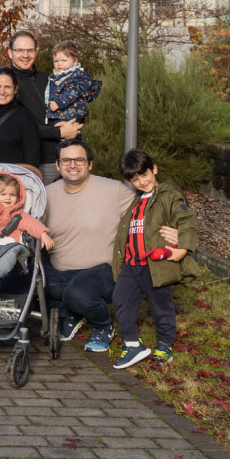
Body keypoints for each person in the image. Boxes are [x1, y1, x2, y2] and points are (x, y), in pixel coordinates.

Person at [43, 139, 134, 352]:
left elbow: (147, 213)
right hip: (59, 271)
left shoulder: (113, 190)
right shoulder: (46, 194)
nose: (72, 165)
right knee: (22, 286)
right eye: (66, 160)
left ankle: (102, 324)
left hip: (102, 271)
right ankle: (70, 314)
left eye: (79, 160)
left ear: (90, 164)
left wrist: (175, 231)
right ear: (57, 165)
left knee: (78, 294)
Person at [110, 149, 199, 369]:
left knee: (161, 305)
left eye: (144, 174)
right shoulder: (136, 202)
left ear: (154, 169)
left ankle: (165, 343)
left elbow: (186, 220)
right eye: (134, 179)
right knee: (121, 299)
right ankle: (133, 344)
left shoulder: (168, 196)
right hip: (131, 263)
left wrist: (182, 249)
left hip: (155, 264)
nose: (141, 182)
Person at [7, 31, 82, 182]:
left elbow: (75, 104)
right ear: (10, 52)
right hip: (27, 162)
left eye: (30, 50)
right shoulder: (6, 83)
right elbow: (16, 125)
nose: (25, 55)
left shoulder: (49, 79)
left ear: (36, 52)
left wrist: (73, 125)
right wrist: (59, 132)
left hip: (62, 158)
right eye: (20, 50)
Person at [46, 40, 102, 136]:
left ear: (75, 60)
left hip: (72, 114)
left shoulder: (78, 75)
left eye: (63, 60)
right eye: (56, 61)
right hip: (59, 115)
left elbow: (75, 90)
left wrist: (59, 102)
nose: (59, 64)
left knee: (73, 137)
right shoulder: (56, 76)